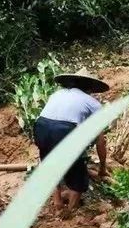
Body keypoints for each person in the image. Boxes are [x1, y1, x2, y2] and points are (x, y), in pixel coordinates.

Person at [33, 68, 109, 214]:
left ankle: (58, 204)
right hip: (63, 130)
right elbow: (100, 141)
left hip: (40, 127)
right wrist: (102, 167)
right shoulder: (93, 103)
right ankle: (70, 211)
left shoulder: (57, 94)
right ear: (90, 87)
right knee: (78, 173)